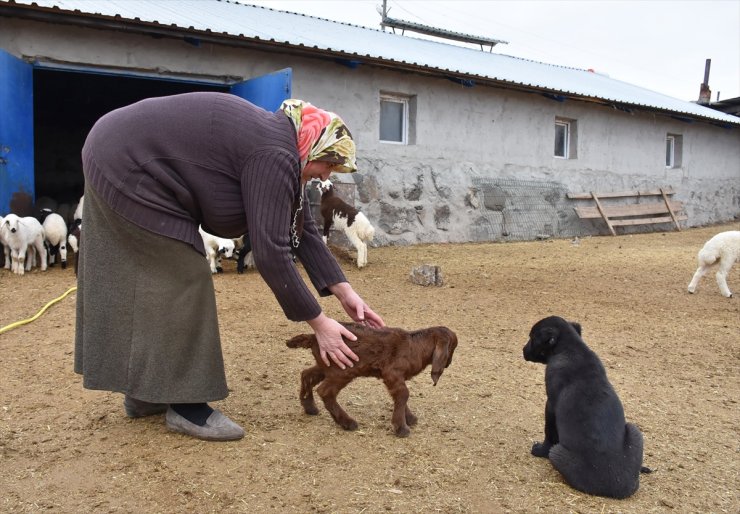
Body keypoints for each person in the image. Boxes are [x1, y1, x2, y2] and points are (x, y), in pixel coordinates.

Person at [74, 92, 385, 441]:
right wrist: (319, 322)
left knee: (159, 278)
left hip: (120, 149)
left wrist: (344, 291)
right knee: (184, 276)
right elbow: (270, 252)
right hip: (125, 160)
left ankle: (147, 392)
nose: (327, 174)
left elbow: (299, 226)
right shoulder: (275, 154)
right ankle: (187, 407)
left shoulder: (285, 146)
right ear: (314, 147)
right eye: (328, 164)